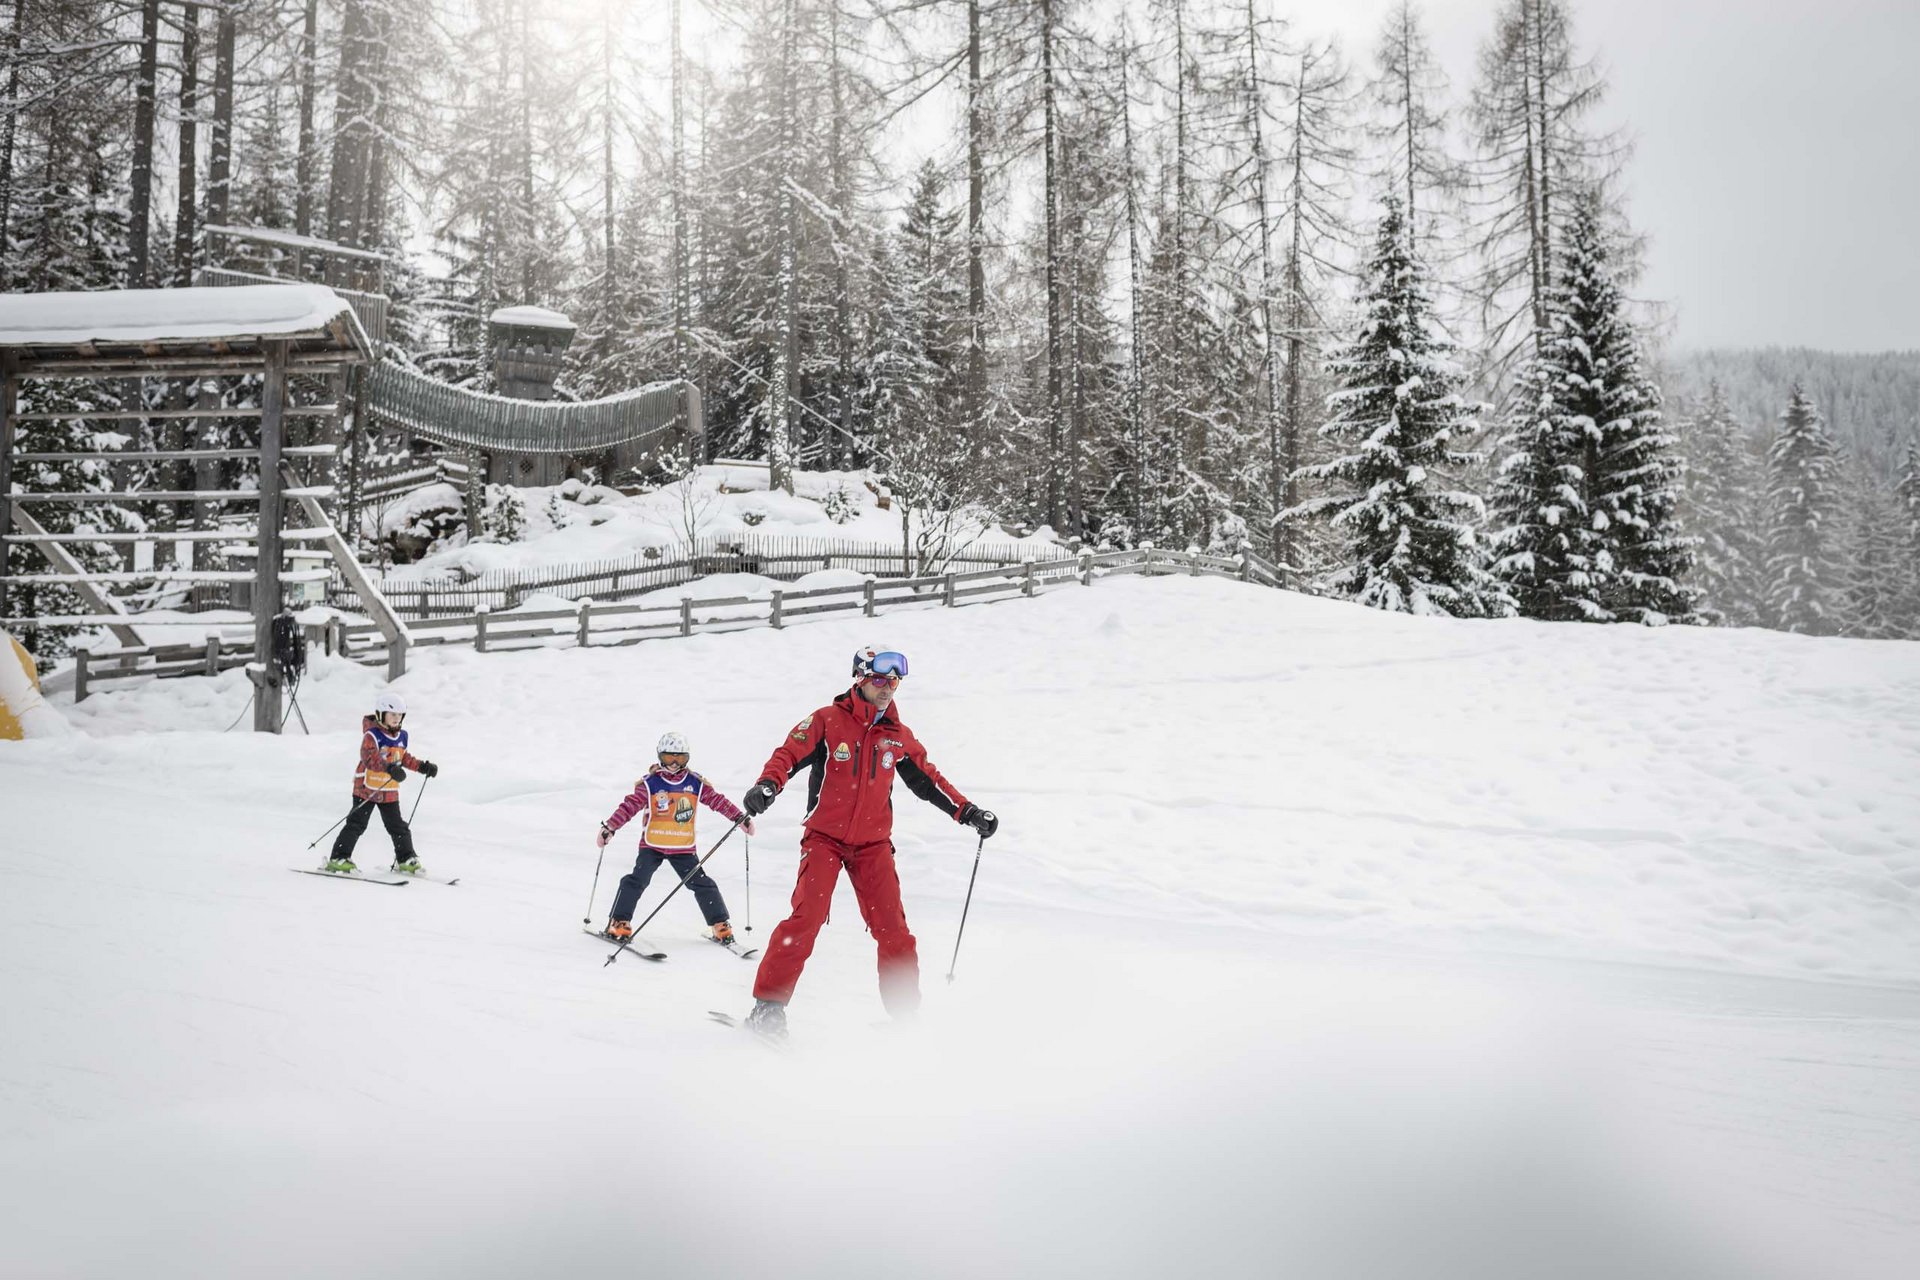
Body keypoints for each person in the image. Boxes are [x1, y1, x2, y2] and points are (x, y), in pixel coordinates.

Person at [738, 644, 998, 1036]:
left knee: (894, 930)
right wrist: (767, 785)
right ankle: (768, 1009)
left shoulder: (897, 737)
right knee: (805, 919)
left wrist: (968, 811)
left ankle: (906, 1017)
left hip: (873, 846)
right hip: (824, 839)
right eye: (879, 679)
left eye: (894, 680)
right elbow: (788, 754)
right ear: (860, 679)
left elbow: (930, 782)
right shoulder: (827, 721)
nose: (888, 687)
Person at [597, 731, 752, 945]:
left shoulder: (695, 782)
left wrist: (738, 817)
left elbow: (717, 801)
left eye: (680, 758)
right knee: (637, 881)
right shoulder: (650, 783)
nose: (674, 763)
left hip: (682, 846)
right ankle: (619, 922)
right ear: (660, 756)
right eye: (669, 757)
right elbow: (629, 806)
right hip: (653, 845)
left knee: (702, 884)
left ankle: (720, 925)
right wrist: (610, 827)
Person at [326, 690, 439, 876]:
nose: (396, 718)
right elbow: (369, 758)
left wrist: (422, 767)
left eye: (399, 715)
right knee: (357, 823)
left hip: (388, 791)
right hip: (366, 789)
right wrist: (389, 769)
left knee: (398, 826)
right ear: (381, 714)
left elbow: (403, 757)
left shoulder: (402, 736)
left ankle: (406, 859)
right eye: (392, 714)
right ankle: (338, 858)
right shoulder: (372, 736)